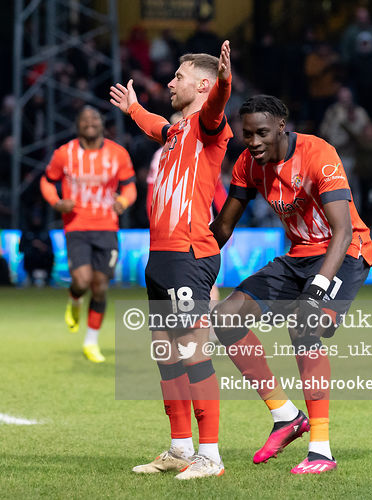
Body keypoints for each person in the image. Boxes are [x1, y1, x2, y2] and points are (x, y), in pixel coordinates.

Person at [209, 95, 372, 475]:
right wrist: (192, 257)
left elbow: (343, 229)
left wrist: (315, 291)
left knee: (305, 325)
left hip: (345, 252)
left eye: (261, 133)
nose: (253, 142)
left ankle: (321, 450)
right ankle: (285, 416)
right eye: (246, 135)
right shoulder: (248, 164)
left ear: (282, 125)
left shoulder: (318, 153)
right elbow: (223, 228)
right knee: (227, 318)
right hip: (297, 255)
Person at [110, 40, 232, 479]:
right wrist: (134, 110)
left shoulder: (209, 126)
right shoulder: (177, 132)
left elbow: (217, 104)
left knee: (193, 350)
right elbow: (157, 126)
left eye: (178, 77)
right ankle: (181, 447)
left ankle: (211, 455)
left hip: (188, 254)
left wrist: (225, 79)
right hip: (160, 256)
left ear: (201, 84)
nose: (170, 82)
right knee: (165, 351)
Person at [40, 106, 136, 363]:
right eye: (84, 119)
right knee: (82, 281)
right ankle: (74, 299)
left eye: (94, 118)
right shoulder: (64, 153)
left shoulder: (118, 154)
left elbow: (130, 187)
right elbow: (47, 180)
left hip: (107, 227)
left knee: (101, 286)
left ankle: (91, 342)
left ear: (102, 124)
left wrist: (123, 203)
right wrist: (57, 202)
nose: (90, 122)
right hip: (77, 225)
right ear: (77, 125)